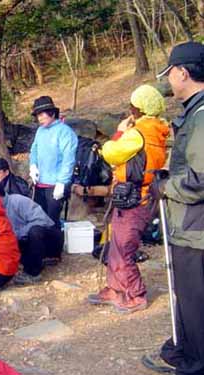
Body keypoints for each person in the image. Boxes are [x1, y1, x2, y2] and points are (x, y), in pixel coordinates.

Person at [141, 42, 204, 375]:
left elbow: (201, 179)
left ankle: (195, 363)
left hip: (196, 230)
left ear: (183, 72)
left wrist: (166, 186)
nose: (169, 82)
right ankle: (187, 351)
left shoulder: (202, 116)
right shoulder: (195, 112)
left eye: (170, 75)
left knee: (195, 299)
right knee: (191, 298)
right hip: (192, 227)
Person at [88, 84, 169, 314]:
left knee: (123, 247)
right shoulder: (157, 129)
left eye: (131, 105)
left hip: (135, 198)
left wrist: (120, 131)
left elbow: (110, 152)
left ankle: (135, 294)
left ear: (138, 108)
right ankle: (115, 288)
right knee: (115, 243)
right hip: (140, 195)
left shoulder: (137, 133)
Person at [0, 178, 60, 282]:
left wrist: (17, 233)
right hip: (23, 243)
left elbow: (42, 221)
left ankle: (33, 273)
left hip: (46, 239)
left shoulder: (18, 201)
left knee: (35, 231)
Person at [29, 96, 78, 225]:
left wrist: (62, 183)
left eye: (41, 114)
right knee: (39, 220)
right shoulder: (40, 131)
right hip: (40, 184)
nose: (39, 118)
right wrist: (33, 165)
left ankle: (55, 245)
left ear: (51, 113)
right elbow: (34, 149)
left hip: (56, 185)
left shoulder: (65, 132)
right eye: (37, 116)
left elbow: (68, 159)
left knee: (52, 222)